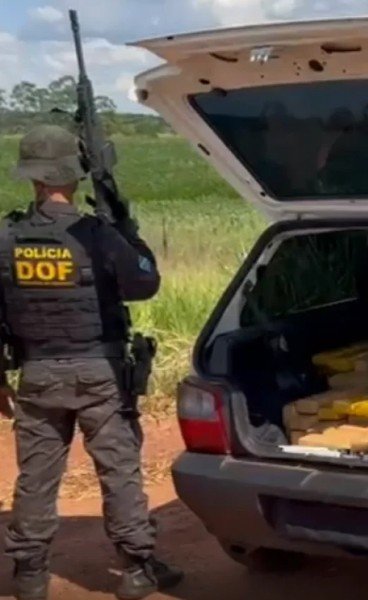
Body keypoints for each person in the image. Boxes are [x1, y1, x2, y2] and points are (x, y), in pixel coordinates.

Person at [0, 125, 183, 600]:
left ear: (34, 180)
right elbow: (146, 284)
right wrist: (125, 230)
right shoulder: (98, 236)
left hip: (37, 375)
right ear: (74, 179)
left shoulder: (7, 237)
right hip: (99, 373)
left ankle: (30, 575)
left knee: (37, 477)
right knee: (118, 471)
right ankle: (137, 568)